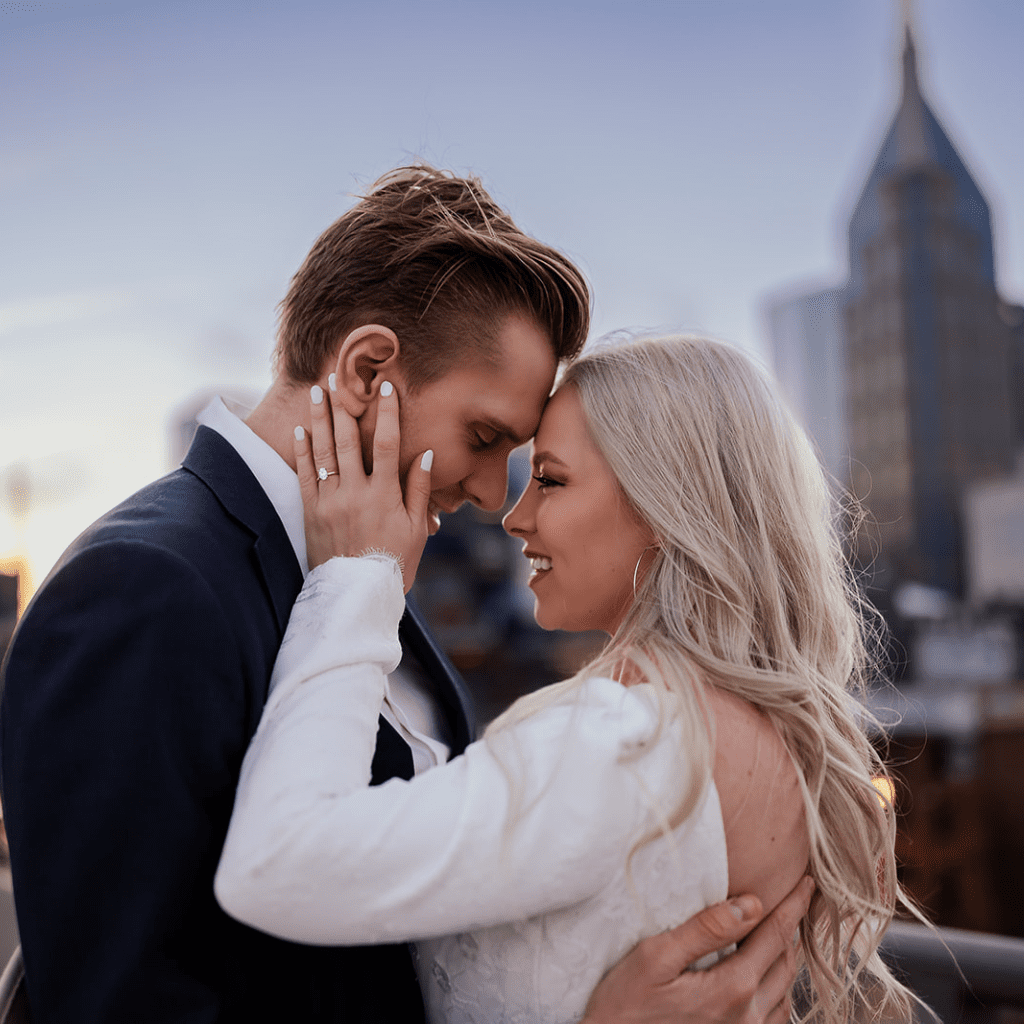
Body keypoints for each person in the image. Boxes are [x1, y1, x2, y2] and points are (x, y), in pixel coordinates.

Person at [0, 167, 809, 1022]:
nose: (495, 495)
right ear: (366, 370)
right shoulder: (144, 589)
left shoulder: (370, 567)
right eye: (484, 435)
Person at [214, 334, 921, 1024]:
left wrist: (353, 581)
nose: (514, 517)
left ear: (666, 505)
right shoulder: (773, 740)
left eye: (549, 480)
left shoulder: (624, 744)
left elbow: (275, 864)